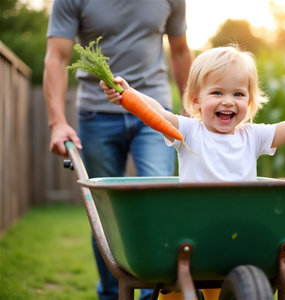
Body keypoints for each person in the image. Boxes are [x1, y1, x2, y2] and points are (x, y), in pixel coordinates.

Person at [43, 0, 192, 299]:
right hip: (96, 115)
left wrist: (193, 111)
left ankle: (153, 296)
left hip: (154, 112)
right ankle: (113, 295)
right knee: (105, 212)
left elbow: (180, 51)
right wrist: (57, 122)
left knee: (157, 204)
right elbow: (57, 57)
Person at [101, 45, 285, 183]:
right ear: (195, 101)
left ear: (250, 101)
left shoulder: (252, 136)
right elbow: (158, 113)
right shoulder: (189, 132)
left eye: (238, 94)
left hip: (241, 226)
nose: (228, 102)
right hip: (196, 228)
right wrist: (129, 94)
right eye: (218, 93)